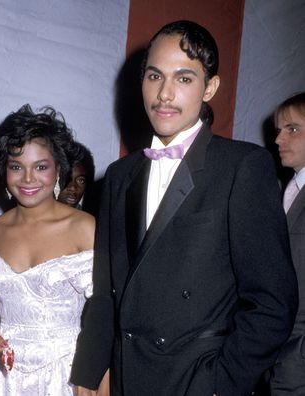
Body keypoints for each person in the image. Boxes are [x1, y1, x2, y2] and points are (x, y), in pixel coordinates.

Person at [70, 20, 298, 396]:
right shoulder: (117, 176)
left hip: (195, 378)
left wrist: (220, 384)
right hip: (127, 377)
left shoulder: (242, 166)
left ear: (210, 87)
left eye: (184, 79)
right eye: (154, 76)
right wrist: (90, 371)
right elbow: (105, 289)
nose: (164, 94)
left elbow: (272, 303)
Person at [0, 105, 97, 395]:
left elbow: (106, 313)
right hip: (2, 375)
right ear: (4, 170)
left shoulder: (85, 228)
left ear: (58, 170)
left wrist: (95, 376)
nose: (28, 179)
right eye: (16, 166)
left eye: (41, 167)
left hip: (67, 374)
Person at [270, 92, 305, 396]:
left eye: (292, 129)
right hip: (275, 350)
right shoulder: (284, 190)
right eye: (278, 130)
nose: (279, 138)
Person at [58, 141, 95, 210]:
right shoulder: (34, 215)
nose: (73, 188)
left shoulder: (89, 219)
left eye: (81, 180)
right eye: (67, 178)